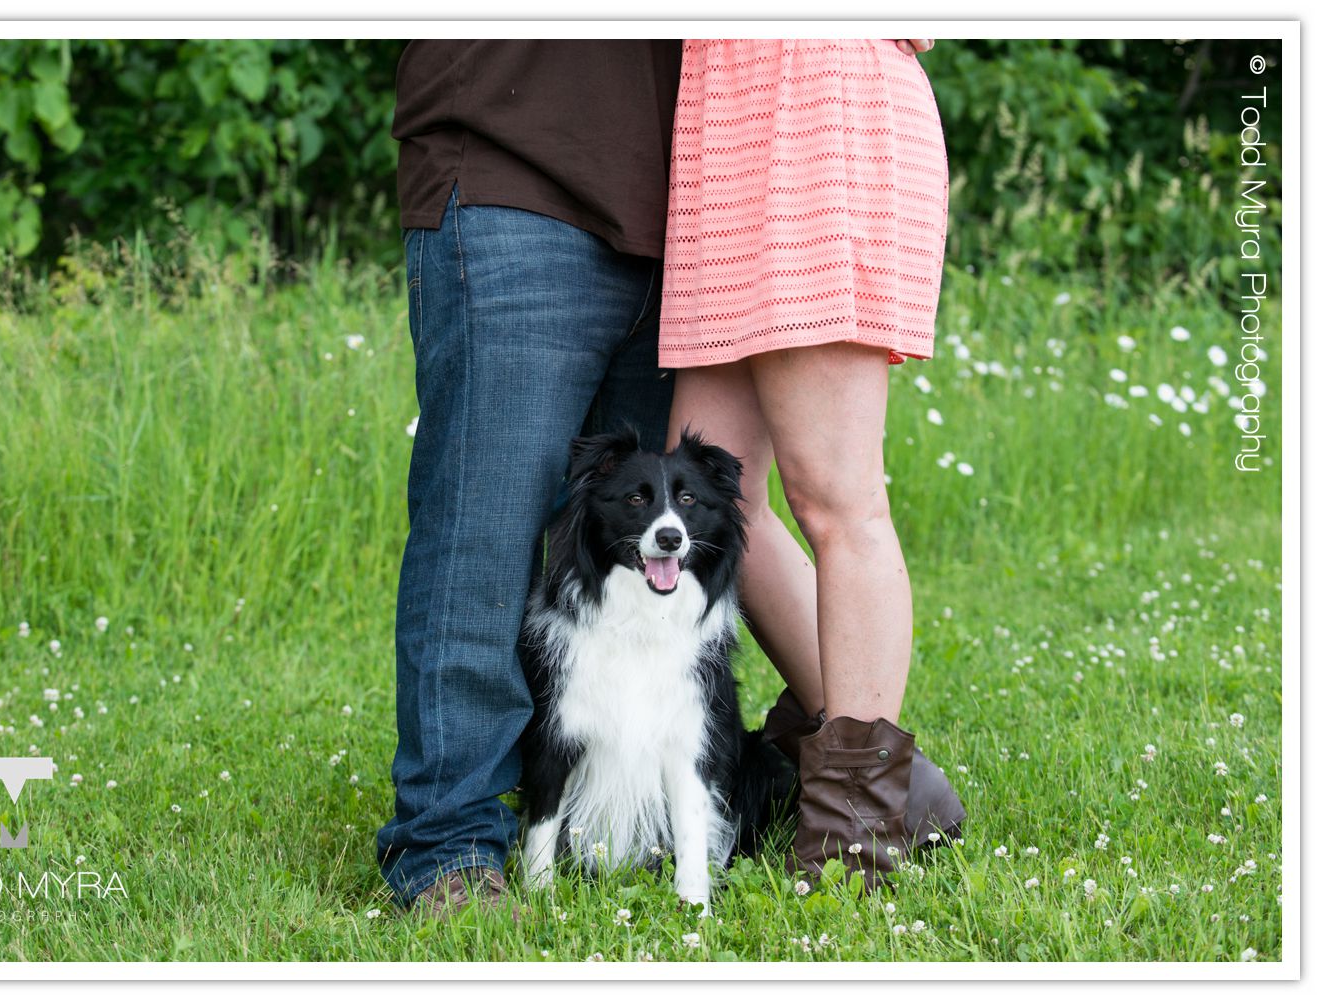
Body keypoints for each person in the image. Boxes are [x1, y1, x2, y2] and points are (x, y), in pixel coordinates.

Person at [379, 39, 963, 916]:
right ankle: (454, 840)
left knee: (814, 504)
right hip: (639, 161)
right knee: (684, 516)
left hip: (770, 145)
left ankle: (858, 818)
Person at [659, 38, 961, 890]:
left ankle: (856, 834)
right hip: (728, 131)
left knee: (837, 499)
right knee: (713, 501)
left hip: (820, 114)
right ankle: (887, 770)